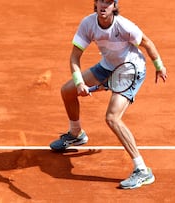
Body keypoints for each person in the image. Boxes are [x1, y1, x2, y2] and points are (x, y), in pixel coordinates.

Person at [49, 0, 167, 189]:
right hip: (108, 66)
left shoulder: (124, 26)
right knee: (67, 91)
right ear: (95, 4)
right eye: (100, 1)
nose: (104, 5)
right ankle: (76, 134)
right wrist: (79, 83)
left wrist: (159, 67)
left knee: (112, 118)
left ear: (114, 6)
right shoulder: (88, 24)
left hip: (131, 69)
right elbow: (74, 57)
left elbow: (147, 43)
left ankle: (142, 170)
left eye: (108, 2)